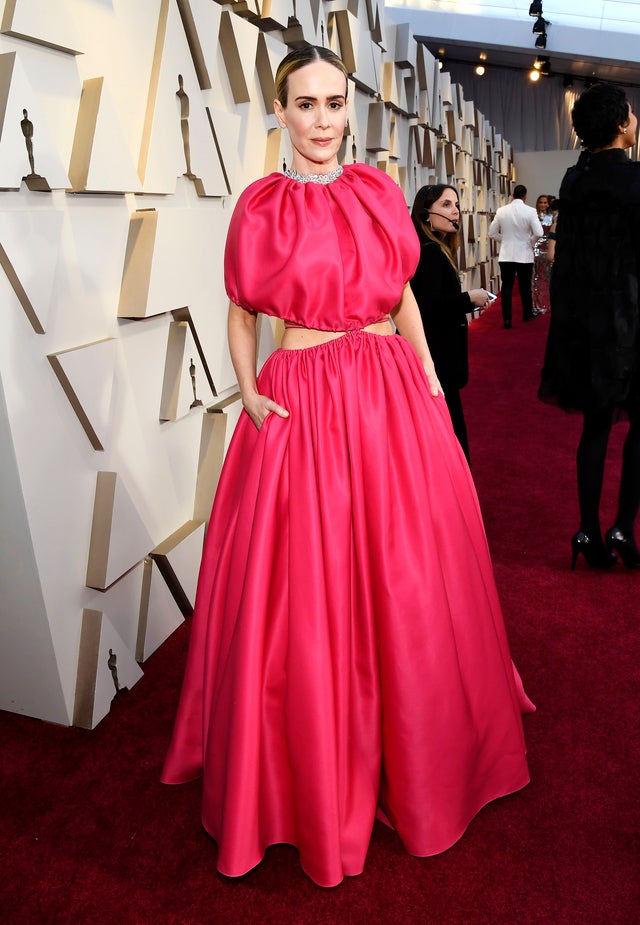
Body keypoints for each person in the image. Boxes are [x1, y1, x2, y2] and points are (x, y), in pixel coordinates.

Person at [162, 44, 534, 888]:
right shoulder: (259, 205)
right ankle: (319, 764)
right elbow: (243, 310)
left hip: (389, 391)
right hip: (302, 397)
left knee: (408, 570)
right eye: (306, 104)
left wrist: (432, 382)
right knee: (306, 583)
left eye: (336, 103)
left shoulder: (373, 192)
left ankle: (423, 746)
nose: (325, 121)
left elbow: (400, 292)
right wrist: (248, 392)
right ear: (280, 111)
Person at [538, 82, 640, 570]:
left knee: (595, 429)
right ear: (622, 126)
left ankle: (585, 529)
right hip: (633, 322)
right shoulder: (637, 180)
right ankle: (623, 525)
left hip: (586, 326)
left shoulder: (573, 182)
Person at [409, 184, 492, 464]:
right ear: (425, 214)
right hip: (436, 358)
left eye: (456, 204)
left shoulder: (435, 249)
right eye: (446, 205)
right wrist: (469, 298)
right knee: (448, 434)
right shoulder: (430, 253)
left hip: (437, 356)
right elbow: (428, 307)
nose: (455, 211)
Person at [489, 185, 543, 328]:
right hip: (524, 254)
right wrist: (529, 242)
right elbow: (539, 232)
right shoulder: (530, 211)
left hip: (506, 255)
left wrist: (506, 239)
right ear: (525, 196)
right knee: (525, 286)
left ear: (513, 195)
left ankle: (507, 320)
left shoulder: (501, 211)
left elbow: (492, 233)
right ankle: (527, 314)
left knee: (506, 287)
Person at [532, 194, 555, 313]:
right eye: (541, 202)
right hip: (537, 249)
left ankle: (549, 305)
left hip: (549, 248)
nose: (543, 205)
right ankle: (537, 306)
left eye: (545, 202)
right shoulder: (534, 216)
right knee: (536, 278)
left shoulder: (553, 217)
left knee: (549, 277)